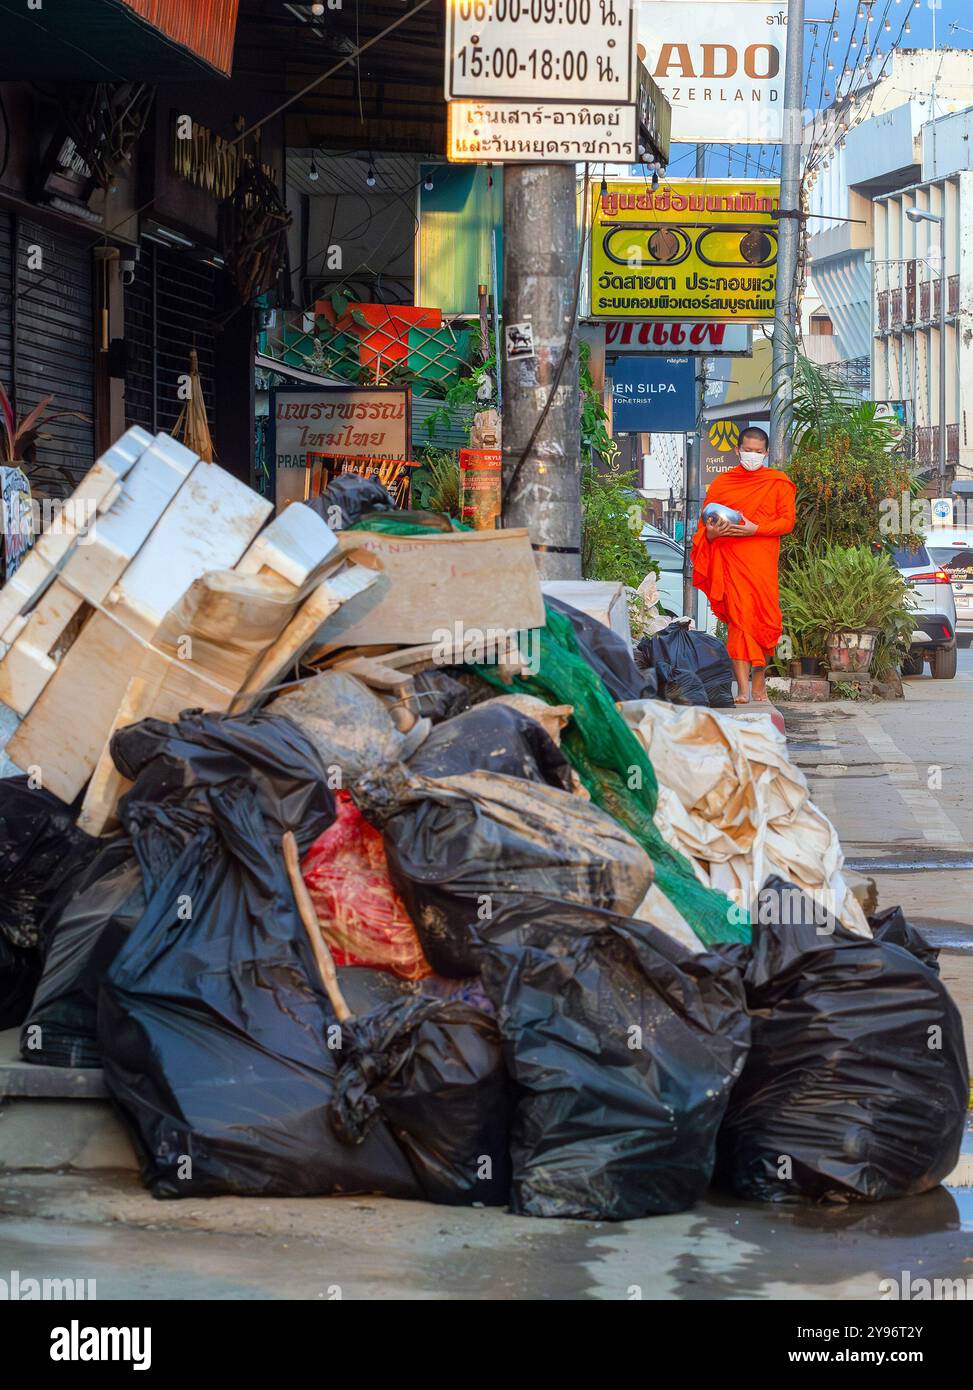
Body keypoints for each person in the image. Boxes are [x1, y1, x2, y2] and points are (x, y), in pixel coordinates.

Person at [690, 426, 796, 704]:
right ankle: (742, 688)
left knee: (765, 622)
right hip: (732, 561)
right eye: (747, 451)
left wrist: (755, 528)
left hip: (761, 563)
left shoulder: (778, 482)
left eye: (758, 452)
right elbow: (706, 525)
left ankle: (759, 684)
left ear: (766, 453)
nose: (752, 455)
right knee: (739, 623)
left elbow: (787, 522)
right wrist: (711, 534)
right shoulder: (723, 484)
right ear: (737, 451)